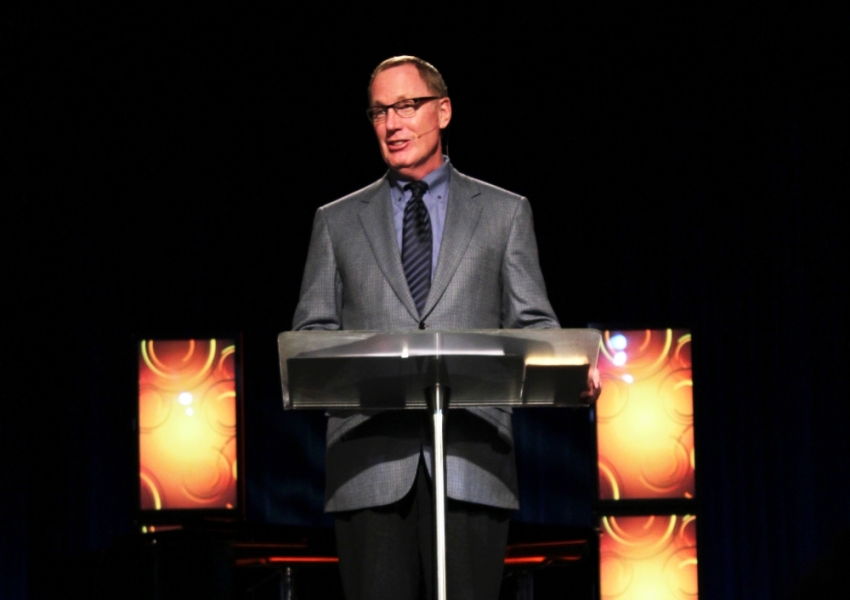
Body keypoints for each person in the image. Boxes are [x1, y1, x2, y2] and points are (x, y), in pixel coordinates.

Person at [292, 56, 600, 600]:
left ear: (443, 110)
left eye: (406, 106)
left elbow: (534, 324)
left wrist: (571, 370)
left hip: (472, 463)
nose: (392, 124)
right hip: (368, 466)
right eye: (379, 111)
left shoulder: (504, 213)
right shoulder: (336, 221)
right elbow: (312, 339)